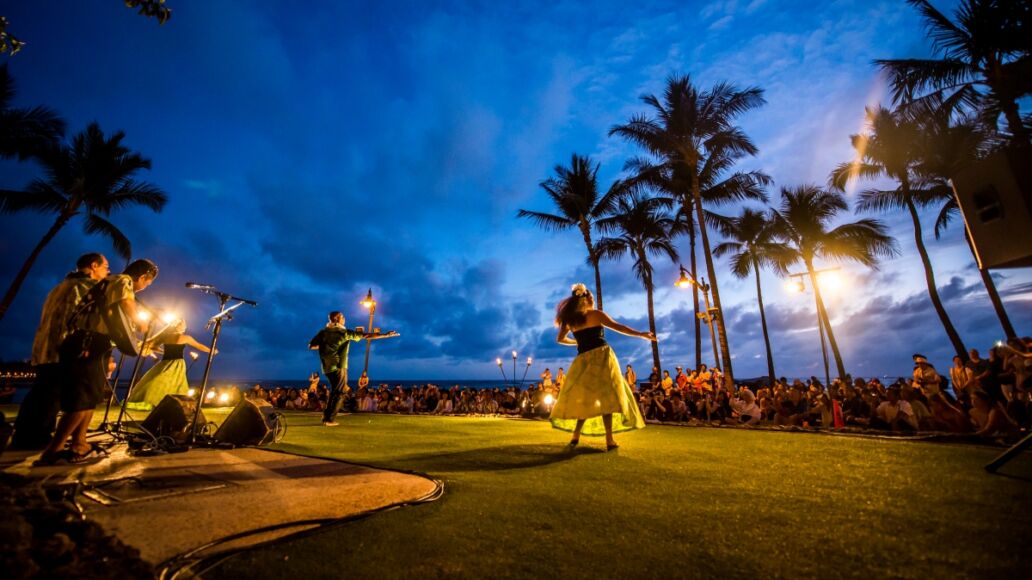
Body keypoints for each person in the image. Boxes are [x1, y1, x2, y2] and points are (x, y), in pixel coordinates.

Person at [36, 259, 157, 466]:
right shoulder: (122, 280)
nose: (146, 287)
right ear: (143, 277)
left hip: (93, 344)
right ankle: (53, 450)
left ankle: (79, 444)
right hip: (86, 343)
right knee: (81, 398)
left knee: (90, 397)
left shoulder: (108, 285)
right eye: (148, 282)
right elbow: (127, 303)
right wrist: (140, 321)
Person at [13, 253, 109, 450]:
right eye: (105, 266)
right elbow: (91, 320)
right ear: (94, 266)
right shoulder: (86, 287)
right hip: (65, 348)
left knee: (41, 393)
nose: (108, 271)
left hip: (44, 347)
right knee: (54, 396)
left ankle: (26, 437)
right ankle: (37, 441)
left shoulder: (59, 287)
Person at [549, 283, 651, 451]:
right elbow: (620, 327)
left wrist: (577, 341)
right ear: (587, 299)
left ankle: (575, 435)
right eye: (592, 299)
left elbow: (560, 339)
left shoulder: (571, 320)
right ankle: (609, 439)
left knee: (585, 398)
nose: (594, 302)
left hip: (583, 360)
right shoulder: (596, 314)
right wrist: (641, 334)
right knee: (607, 398)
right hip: (602, 357)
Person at [309, 311, 393, 426]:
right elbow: (366, 335)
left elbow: (311, 345)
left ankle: (326, 417)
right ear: (336, 319)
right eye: (342, 317)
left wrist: (327, 346)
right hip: (339, 366)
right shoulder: (343, 332)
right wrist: (385, 335)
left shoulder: (323, 332)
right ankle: (329, 419)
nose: (344, 318)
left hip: (327, 367)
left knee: (335, 391)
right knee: (341, 391)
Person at [124, 320, 213, 412]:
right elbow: (199, 345)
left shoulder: (165, 337)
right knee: (175, 384)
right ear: (182, 327)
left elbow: (152, 347)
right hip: (177, 363)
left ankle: (158, 401)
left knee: (157, 381)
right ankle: (173, 404)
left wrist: (163, 352)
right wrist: (211, 350)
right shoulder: (185, 337)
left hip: (164, 362)